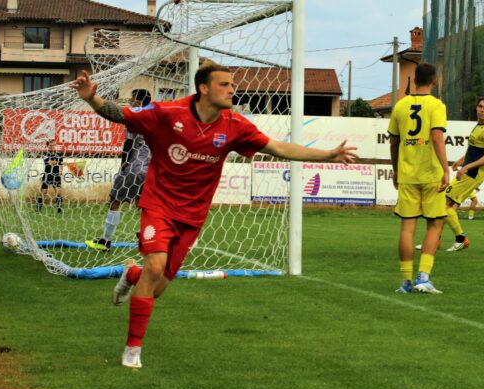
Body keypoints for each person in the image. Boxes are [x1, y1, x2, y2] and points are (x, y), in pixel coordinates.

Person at [71, 62, 358, 369]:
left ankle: (131, 275)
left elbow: (277, 147)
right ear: (204, 89)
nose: (232, 89)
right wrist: (91, 99)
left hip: (192, 216)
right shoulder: (168, 113)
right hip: (158, 205)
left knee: (157, 287)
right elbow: (122, 115)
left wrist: (328, 154)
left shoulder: (234, 125)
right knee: (155, 265)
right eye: (224, 84)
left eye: (232, 85)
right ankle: (132, 350)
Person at [388, 63, 449, 295]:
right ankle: (423, 277)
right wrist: (445, 169)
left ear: (414, 80)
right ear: (434, 81)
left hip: (407, 174)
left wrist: (395, 170)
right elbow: (436, 137)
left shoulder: (400, 106)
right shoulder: (436, 105)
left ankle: (405, 282)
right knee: (435, 224)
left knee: (407, 227)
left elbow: (394, 142)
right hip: (431, 174)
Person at [86, 89, 153, 251]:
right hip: (150, 168)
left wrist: (123, 164)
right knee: (142, 203)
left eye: (132, 98)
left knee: (114, 200)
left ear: (138, 101)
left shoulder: (135, 116)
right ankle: (148, 237)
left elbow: (129, 144)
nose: (129, 100)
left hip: (134, 167)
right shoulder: (154, 116)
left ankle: (106, 241)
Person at [443, 96, 484, 251]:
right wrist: (461, 161)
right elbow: (474, 150)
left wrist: (466, 168)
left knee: (443, 205)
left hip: (473, 174)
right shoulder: (479, 126)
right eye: (480, 106)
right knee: (445, 206)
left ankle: (461, 239)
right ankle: (435, 240)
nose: (481, 109)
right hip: (467, 171)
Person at [37, 140, 64, 213]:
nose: (52, 147)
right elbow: (49, 163)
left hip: (56, 175)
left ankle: (59, 209)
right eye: (50, 146)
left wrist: (61, 170)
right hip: (47, 175)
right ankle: (38, 209)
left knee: (58, 192)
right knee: (43, 192)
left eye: (53, 145)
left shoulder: (59, 154)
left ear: (55, 146)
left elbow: (61, 164)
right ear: (47, 146)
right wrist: (56, 162)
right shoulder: (45, 154)